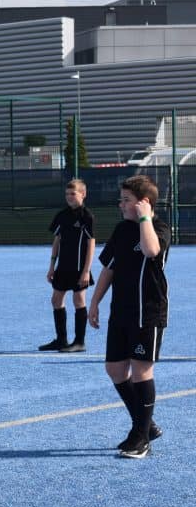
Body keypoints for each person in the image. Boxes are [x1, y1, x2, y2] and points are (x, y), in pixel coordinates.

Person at [88, 174, 168, 459]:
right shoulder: (122, 231)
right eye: (120, 199)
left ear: (143, 203)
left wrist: (145, 218)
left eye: (126, 200)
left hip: (148, 313)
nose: (120, 204)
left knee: (141, 370)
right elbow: (109, 268)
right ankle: (145, 426)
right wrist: (95, 301)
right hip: (120, 312)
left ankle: (141, 437)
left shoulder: (158, 228)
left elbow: (151, 250)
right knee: (115, 369)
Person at [39, 179, 95, 352]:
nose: (69, 197)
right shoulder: (62, 215)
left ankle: (79, 342)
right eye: (67, 194)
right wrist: (51, 265)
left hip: (79, 268)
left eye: (73, 194)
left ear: (83, 194)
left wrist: (86, 271)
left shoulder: (87, 217)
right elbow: (57, 240)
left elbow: (91, 243)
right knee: (56, 300)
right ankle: (61, 340)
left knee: (79, 300)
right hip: (62, 267)